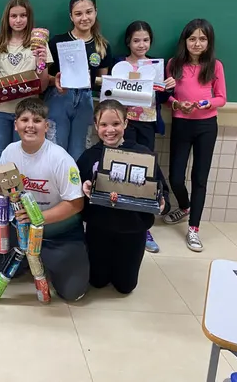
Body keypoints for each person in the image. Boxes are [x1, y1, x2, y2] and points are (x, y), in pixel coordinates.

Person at [0, 97, 88, 302]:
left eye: (36, 120)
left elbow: (76, 204)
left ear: (46, 125)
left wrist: (39, 217)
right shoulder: (9, 152)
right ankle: (33, 257)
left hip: (60, 232)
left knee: (73, 292)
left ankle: (53, 257)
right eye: (24, 120)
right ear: (16, 124)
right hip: (24, 229)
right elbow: (2, 189)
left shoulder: (60, 158)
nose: (30, 125)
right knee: (1, 265)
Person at [77, 100, 168, 294]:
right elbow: (74, 193)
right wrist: (83, 190)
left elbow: (161, 189)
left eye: (116, 124)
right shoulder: (88, 157)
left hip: (132, 231)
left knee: (125, 286)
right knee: (97, 281)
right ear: (96, 126)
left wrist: (161, 202)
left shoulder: (143, 154)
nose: (110, 130)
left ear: (126, 123)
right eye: (104, 124)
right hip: (99, 229)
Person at [108, 20, 176, 252]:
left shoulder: (156, 66)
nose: (141, 44)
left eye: (145, 40)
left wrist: (169, 87)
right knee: (117, 167)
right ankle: (113, 216)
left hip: (146, 123)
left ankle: (143, 225)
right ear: (129, 41)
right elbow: (108, 91)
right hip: (122, 124)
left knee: (144, 171)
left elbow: (163, 98)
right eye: (136, 40)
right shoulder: (119, 63)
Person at [0, 0, 53, 234]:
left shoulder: (39, 45)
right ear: (7, 18)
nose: (18, 20)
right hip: (1, 111)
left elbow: (44, 85)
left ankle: (21, 215)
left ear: (29, 18)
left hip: (27, 114)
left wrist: (41, 63)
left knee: (22, 165)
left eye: (23, 15)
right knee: (0, 163)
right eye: (14, 15)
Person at [162, 19, 226, 252]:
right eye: (192, 39)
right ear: (185, 41)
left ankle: (194, 229)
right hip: (181, 125)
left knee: (200, 179)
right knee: (176, 177)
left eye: (202, 39)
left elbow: (221, 98)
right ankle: (185, 206)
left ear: (209, 42)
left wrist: (205, 103)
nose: (197, 43)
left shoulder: (215, 65)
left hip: (207, 126)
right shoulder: (173, 64)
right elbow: (166, 96)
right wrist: (177, 104)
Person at [45, 0, 112, 160]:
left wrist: (91, 79)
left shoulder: (102, 46)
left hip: (85, 100)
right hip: (59, 97)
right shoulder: (56, 42)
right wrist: (56, 80)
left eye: (89, 12)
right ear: (71, 16)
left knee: (80, 152)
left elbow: (102, 83)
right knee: (55, 150)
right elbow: (44, 78)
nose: (84, 18)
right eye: (78, 14)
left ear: (96, 12)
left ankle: (75, 187)